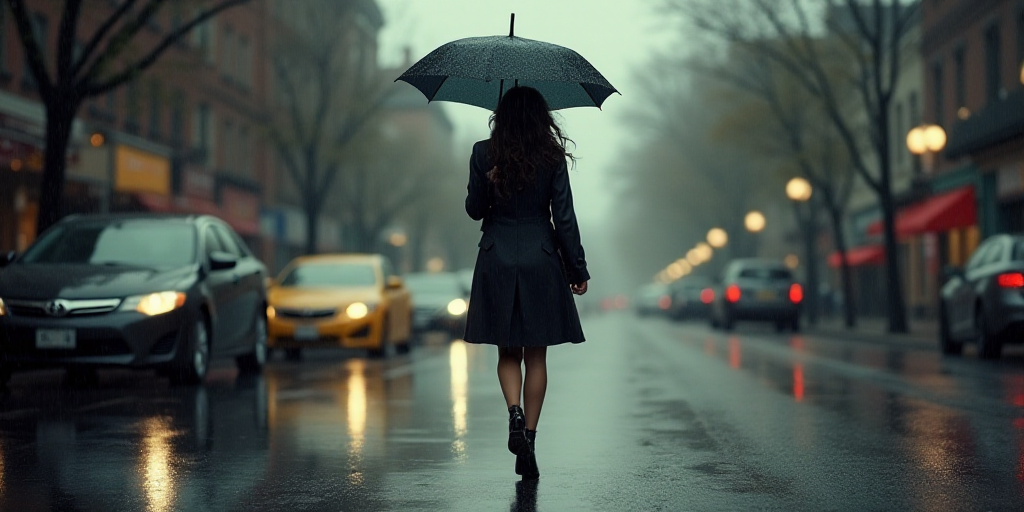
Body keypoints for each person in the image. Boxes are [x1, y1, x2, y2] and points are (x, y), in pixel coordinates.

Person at [463, 86, 590, 480]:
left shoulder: (484, 152)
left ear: (500, 115)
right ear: (541, 118)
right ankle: (529, 439)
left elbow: (473, 210)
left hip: (497, 255)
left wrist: (489, 179)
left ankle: (513, 413)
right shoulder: (551, 157)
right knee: (537, 356)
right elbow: (564, 217)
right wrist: (577, 268)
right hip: (540, 258)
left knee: (507, 353)